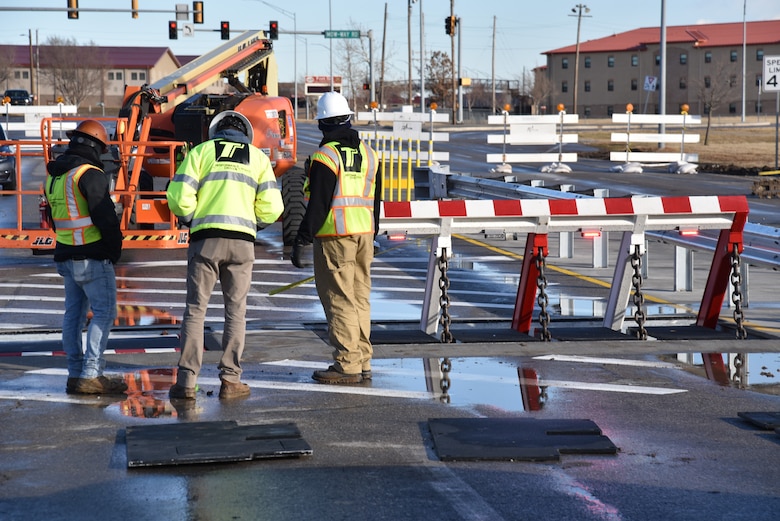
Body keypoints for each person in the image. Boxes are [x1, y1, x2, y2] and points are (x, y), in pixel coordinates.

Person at [166, 110, 283, 400]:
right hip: (242, 243)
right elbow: (272, 207)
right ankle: (231, 380)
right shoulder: (257, 158)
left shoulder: (201, 152)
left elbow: (178, 198)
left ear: (216, 131)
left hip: (206, 241)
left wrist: (194, 218)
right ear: (245, 132)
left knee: (195, 309)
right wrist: (252, 224)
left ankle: (186, 382)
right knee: (236, 311)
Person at [291, 92, 380, 385]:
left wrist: (302, 238)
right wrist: (374, 233)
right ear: (349, 119)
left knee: (339, 300)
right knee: (360, 298)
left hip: (334, 236)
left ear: (321, 124)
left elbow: (319, 203)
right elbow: (374, 200)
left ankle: (347, 364)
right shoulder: (369, 153)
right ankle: (362, 359)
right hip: (364, 234)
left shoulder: (325, 156)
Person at [45, 119, 126, 395]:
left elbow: (57, 221)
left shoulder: (55, 176)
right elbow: (105, 219)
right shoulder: (88, 174)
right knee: (104, 314)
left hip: (66, 257)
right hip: (92, 257)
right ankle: (92, 374)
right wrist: (114, 251)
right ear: (95, 146)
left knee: (73, 316)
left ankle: (75, 372)